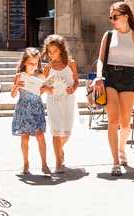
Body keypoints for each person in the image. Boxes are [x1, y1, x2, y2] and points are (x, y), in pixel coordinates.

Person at [92, 1, 134, 176]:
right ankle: (115, 161)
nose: (112, 20)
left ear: (125, 16)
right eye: (111, 17)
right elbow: (101, 59)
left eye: (115, 16)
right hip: (110, 78)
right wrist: (99, 77)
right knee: (113, 121)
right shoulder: (108, 35)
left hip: (128, 77)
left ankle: (122, 149)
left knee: (125, 123)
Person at [42, 34, 79, 174]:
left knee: (66, 133)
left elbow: (76, 80)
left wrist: (74, 87)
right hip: (53, 101)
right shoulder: (47, 68)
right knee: (56, 132)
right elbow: (43, 87)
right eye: (49, 52)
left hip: (68, 101)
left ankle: (60, 150)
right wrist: (47, 89)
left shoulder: (71, 63)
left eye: (55, 51)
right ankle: (58, 162)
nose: (52, 55)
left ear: (61, 50)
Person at [11, 48, 51, 176]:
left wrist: (45, 89)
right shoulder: (19, 76)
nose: (34, 66)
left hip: (36, 108)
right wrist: (17, 86)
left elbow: (50, 91)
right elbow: (13, 95)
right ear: (24, 63)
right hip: (23, 108)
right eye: (31, 63)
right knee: (25, 137)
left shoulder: (40, 75)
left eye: (36, 63)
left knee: (40, 135)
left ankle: (44, 164)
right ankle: (26, 163)